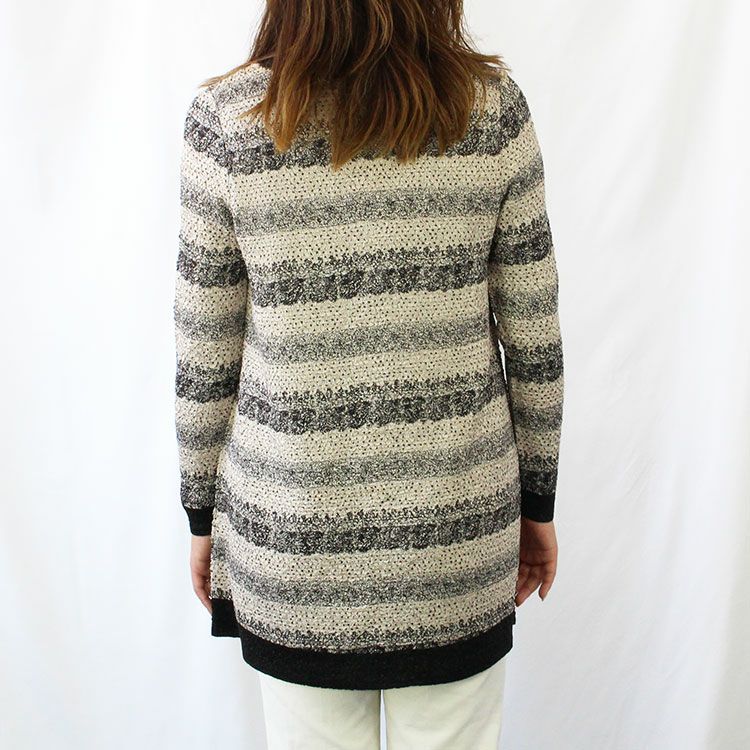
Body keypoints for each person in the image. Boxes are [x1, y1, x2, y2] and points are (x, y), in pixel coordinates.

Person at [173, 0, 564, 746]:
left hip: (293, 542)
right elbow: (534, 335)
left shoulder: (230, 120)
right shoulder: (491, 111)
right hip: (457, 537)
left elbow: (204, 346)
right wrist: (538, 502)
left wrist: (201, 514)